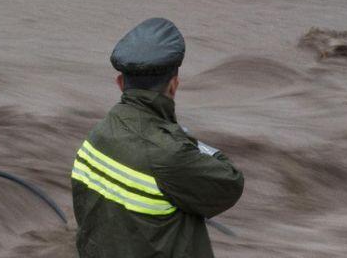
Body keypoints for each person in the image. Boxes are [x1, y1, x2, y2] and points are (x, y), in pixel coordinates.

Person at [71, 18, 244, 258]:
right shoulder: (170, 153)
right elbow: (230, 182)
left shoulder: (95, 136)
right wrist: (184, 138)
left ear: (120, 83)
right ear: (174, 85)